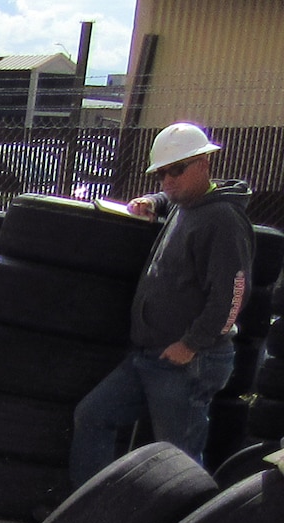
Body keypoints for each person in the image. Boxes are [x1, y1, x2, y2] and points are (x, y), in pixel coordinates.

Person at [70, 122, 254, 486]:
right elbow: (168, 198)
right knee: (93, 416)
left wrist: (191, 344)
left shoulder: (223, 219)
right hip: (149, 356)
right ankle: (88, 515)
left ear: (203, 163)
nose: (167, 180)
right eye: (161, 173)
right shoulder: (187, 204)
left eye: (177, 170)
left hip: (187, 361)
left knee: (178, 458)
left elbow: (233, 295)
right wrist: (151, 202)